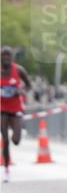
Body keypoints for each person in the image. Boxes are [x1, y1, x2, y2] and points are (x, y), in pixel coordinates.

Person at [1, 47, 32, 183]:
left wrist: (21, 91)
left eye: (9, 56)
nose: (6, 58)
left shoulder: (18, 70)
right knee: (5, 140)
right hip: (1, 108)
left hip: (16, 108)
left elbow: (28, 85)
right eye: (4, 56)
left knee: (16, 140)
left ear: (12, 58)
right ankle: (6, 169)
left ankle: (16, 135)